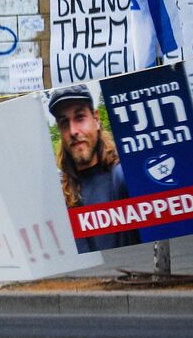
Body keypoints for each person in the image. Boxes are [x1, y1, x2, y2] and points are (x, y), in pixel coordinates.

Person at [49, 84, 140, 252]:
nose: (73, 131)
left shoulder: (121, 176)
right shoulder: (58, 193)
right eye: (64, 123)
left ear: (96, 120)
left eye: (80, 117)